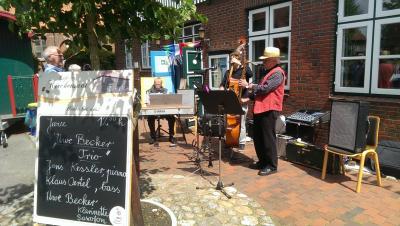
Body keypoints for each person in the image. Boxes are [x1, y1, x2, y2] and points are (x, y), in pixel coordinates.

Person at [239, 47, 285, 176]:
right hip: (260, 109)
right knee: (258, 138)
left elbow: (265, 89)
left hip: (269, 109)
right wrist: (248, 98)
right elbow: (260, 93)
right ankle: (263, 161)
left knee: (268, 138)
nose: (263, 63)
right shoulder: (268, 72)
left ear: (273, 60)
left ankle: (271, 165)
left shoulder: (278, 73)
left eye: (265, 60)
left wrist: (249, 86)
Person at [220, 51, 253, 151]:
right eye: (231, 59)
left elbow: (250, 75)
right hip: (230, 101)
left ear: (238, 60)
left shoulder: (245, 70)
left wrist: (240, 63)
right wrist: (221, 92)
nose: (231, 61)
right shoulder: (228, 72)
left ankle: (241, 142)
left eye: (234, 59)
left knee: (241, 123)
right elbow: (222, 85)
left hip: (241, 100)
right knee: (228, 123)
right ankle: (229, 141)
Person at [146, 78, 176, 147]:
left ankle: (171, 136)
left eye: (159, 84)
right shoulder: (149, 91)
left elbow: (169, 102)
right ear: (154, 83)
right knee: (150, 118)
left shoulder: (166, 91)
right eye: (156, 84)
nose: (157, 85)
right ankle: (153, 137)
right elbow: (147, 103)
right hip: (154, 111)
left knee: (172, 117)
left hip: (164, 111)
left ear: (161, 84)